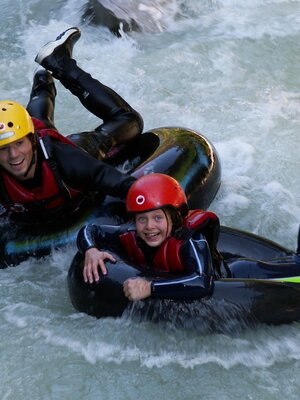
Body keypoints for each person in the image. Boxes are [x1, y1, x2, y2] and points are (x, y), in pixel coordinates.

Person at [0, 27, 143, 222]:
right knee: (41, 121)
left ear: (32, 141)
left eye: (18, 144)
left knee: (129, 120)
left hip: (77, 148)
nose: (13, 155)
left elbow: (126, 186)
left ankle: (61, 63)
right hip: (39, 142)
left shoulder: (68, 161)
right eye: (4, 149)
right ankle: (43, 76)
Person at [76, 173, 230, 301]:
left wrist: (150, 287)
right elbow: (91, 229)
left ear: (174, 218)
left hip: (227, 277)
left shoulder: (190, 241)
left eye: (158, 218)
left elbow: (202, 282)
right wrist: (91, 249)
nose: (149, 226)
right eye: (142, 219)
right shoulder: (129, 234)